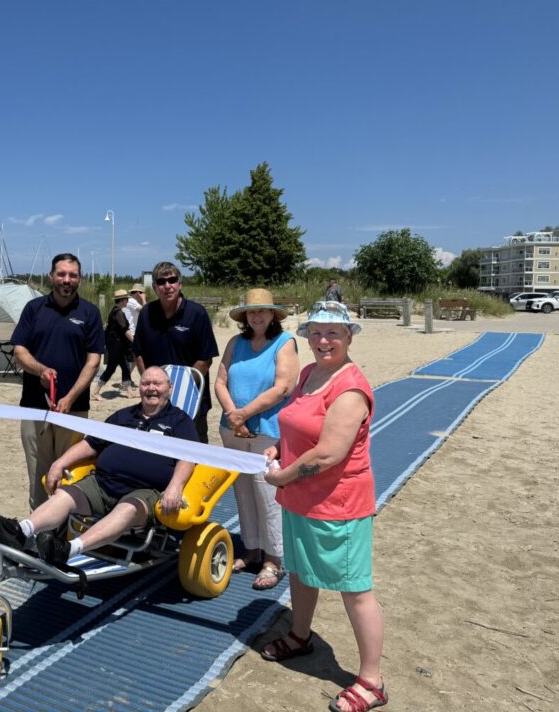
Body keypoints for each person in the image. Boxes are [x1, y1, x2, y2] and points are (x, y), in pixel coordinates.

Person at [261, 301, 387, 712]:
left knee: (355, 590)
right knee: (300, 571)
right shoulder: (308, 374)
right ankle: (301, 635)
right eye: (315, 332)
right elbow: (298, 425)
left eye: (333, 332)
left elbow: (328, 454)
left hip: (338, 503)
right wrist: (279, 446)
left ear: (349, 336)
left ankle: (372, 680)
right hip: (301, 497)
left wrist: (282, 474)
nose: (322, 340)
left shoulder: (349, 388)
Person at [0, 366, 197, 566]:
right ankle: (20, 531)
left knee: (127, 508)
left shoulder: (180, 421)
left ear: (169, 388)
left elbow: (189, 456)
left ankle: (69, 549)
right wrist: (59, 462)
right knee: (65, 494)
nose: (151, 388)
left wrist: (176, 486)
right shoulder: (123, 416)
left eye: (157, 383)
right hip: (103, 483)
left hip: (143, 492)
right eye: (145, 383)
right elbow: (91, 443)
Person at [214, 288, 299, 590]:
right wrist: (232, 414)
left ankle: (273, 559)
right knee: (243, 492)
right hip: (233, 429)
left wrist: (244, 413)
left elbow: (284, 387)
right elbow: (221, 381)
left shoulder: (284, 343)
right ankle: (251, 550)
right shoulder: (235, 342)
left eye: (262, 311)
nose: (257, 315)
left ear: (273, 314)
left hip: (267, 430)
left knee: (268, 495)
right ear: (245, 316)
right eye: (252, 311)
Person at [11, 253, 105, 509]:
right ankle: (38, 527)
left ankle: (65, 527)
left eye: (72, 275)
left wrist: (70, 397)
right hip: (34, 406)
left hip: (73, 408)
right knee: (38, 472)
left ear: (79, 279)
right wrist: (40, 370)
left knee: (69, 471)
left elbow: (93, 361)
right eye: (61, 274)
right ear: (52, 276)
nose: (67, 280)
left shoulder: (90, 313)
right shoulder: (34, 309)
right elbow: (19, 352)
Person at [132, 262, 219, 442]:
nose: (167, 286)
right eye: (161, 282)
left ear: (180, 283)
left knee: (194, 454)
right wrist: (151, 384)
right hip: (155, 400)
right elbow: (139, 352)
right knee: (157, 455)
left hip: (192, 401)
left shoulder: (197, 313)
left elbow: (206, 358)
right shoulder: (147, 313)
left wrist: (178, 388)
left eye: (172, 280)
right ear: (155, 287)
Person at [92, 289, 136, 400]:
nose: (127, 301)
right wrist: (136, 342)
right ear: (122, 300)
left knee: (125, 368)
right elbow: (125, 331)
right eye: (127, 299)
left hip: (118, 346)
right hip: (115, 347)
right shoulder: (118, 313)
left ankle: (129, 392)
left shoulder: (116, 311)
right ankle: (95, 392)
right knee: (110, 369)